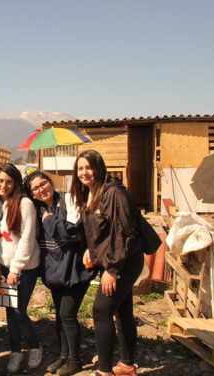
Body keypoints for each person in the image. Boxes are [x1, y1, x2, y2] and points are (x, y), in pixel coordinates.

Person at [71, 150, 145, 376]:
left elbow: (124, 234)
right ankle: (127, 365)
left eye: (89, 167)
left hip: (124, 261)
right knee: (122, 311)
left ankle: (104, 371)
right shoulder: (90, 193)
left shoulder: (114, 193)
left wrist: (112, 270)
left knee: (101, 310)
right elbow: (99, 232)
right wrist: (90, 251)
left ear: (99, 168)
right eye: (81, 168)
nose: (85, 172)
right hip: (113, 259)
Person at [24, 170, 94, 376]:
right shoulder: (36, 209)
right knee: (59, 317)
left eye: (43, 183)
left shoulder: (68, 199)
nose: (41, 189)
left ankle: (75, 360)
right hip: (54, 272)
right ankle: (64, 355)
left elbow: (72, 232)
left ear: (50, 181)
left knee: (67, 315)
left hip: (74, 270)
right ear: (32, 194)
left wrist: (48, 220)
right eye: (35, 188)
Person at [0, 164, 42, 373]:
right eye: (0, 180)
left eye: (9, 181)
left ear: (16, 183)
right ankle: (16, 350)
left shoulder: (25, 204)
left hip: (24, 268)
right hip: (2, 267)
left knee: (18, 309)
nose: (4, 185)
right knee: (9, 310)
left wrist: (15, 269)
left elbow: (27, 240)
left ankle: (35, 346)